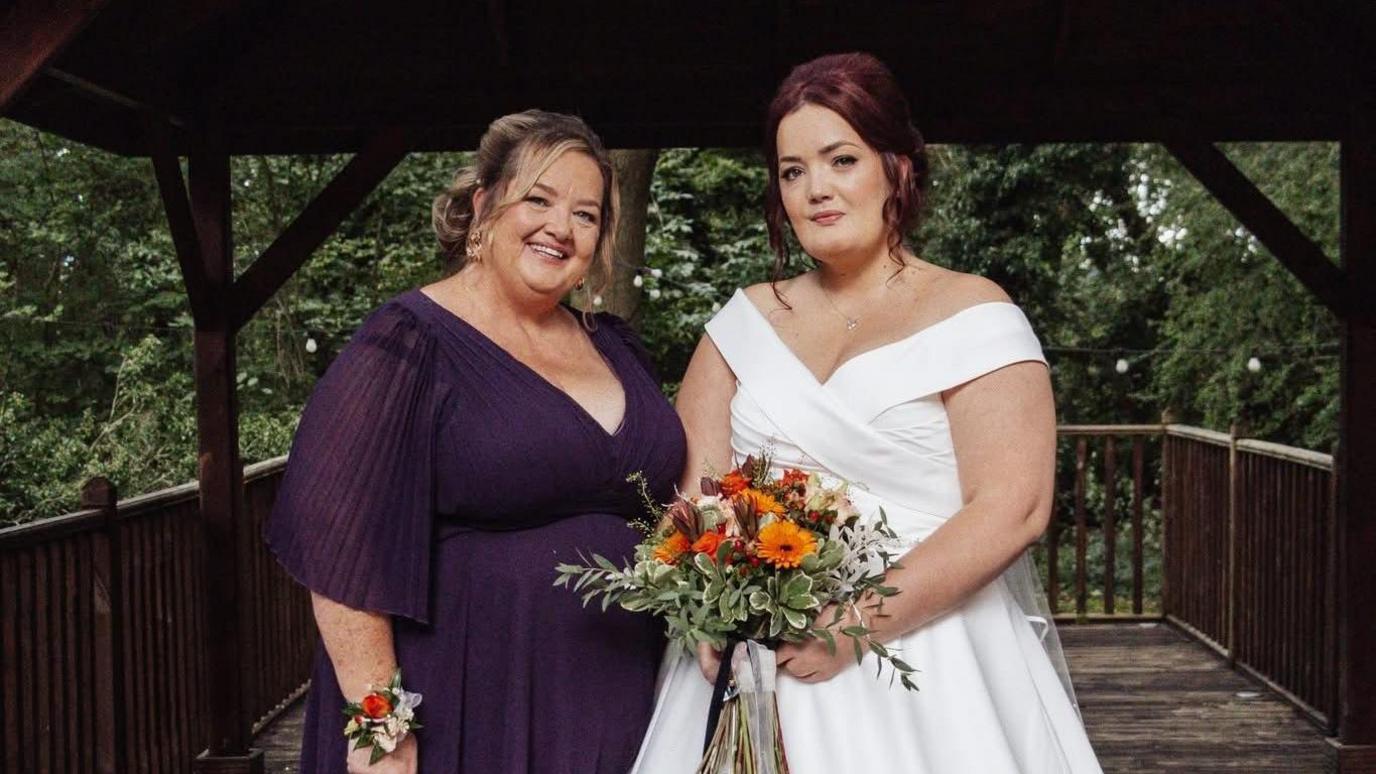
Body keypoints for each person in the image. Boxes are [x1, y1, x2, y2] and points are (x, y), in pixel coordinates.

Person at [633, 54, 1102, 773]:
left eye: (840, 159)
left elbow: (1015, 506)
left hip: (933, 664)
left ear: (897, 167)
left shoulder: (976, 313)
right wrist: (705, 604)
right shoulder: (741, 325)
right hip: (752, 666)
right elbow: (694, 496)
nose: (815, 188)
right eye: (792, 171)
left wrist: (851, 629)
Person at [266, 109, 686, 773]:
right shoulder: (407, 343)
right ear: (485, 206)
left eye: (586, 213)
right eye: (539, 199)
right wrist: (382, 732)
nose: (561, 227)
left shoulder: (617, 347)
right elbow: (337, 537)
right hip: (467, 703)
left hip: (623, 697)